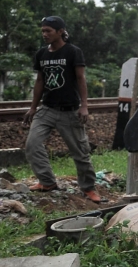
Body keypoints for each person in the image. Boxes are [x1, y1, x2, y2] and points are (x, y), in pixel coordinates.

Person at [22, 16, 100, 203]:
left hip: (70, 111)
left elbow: (81, 79)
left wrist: (84, 106)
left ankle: (88, 188)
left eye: (48, 31)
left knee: (80, 153)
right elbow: (40, 81)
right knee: (32, 144)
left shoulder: (73, 52)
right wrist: (33, 107)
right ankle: (47, 181)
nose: (44, 34)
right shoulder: (42, 54)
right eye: (42, 31)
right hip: (47, 109)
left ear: (60, 31)